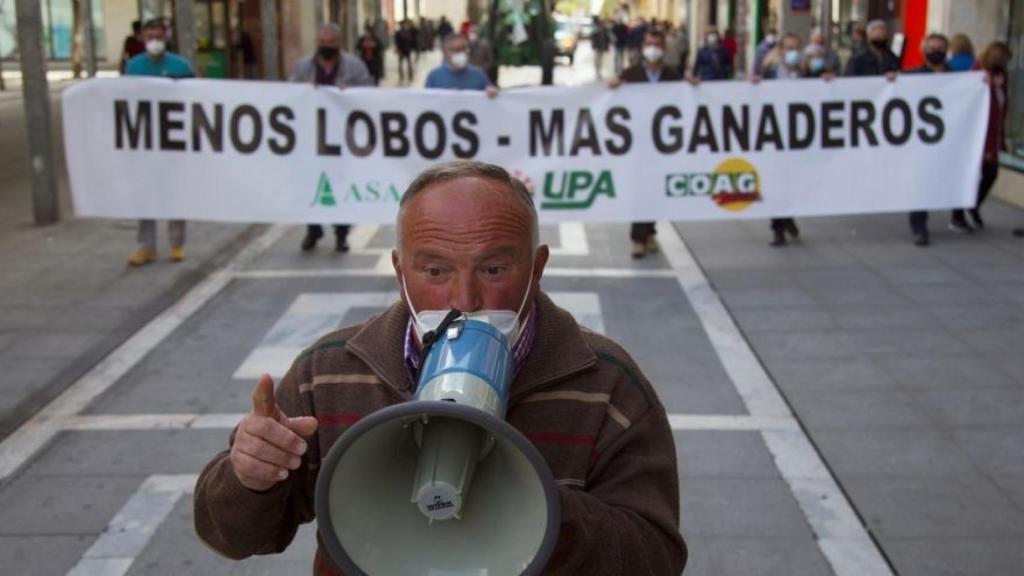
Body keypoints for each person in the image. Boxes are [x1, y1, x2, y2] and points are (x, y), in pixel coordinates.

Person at [192, 160, 688, 574]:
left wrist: (539, 513)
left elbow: (657, 558)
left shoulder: (607, 385)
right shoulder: (328, 372)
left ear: (536, 268)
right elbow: (232, 538)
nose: (465, 299)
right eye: (434, 271)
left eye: (494, 269)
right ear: (399, 270)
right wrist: (248, 477)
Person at [289, 23, 374, 253]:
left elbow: (369, 89)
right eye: (322, 43)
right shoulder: (303, 67)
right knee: (310, 185)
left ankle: (341, 233)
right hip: (312, 137)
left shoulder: (354, 66)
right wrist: (303, 91)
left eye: (330, 43)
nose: (326, 46)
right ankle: (313, 229)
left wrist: (352, 92)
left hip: (342, 138)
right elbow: (290, 95)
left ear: (339, 43)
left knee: (339, 185)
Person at [123, 20, 194, 267]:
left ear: (166, 38)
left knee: (174, 190)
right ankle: (146, 246)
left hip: (173, 139)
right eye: (150, 36)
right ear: (143, 38)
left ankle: (177, 244)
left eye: (159, 37)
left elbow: (195, 98)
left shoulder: (181, 65)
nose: (154, 41)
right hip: (143, 140)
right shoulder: (133, 66)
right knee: (145, 192)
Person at [610, 30, 683, 258]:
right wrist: (613, 86)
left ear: (664, 47)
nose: (653, 49)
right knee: (641, 189)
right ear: (643, 47)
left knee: (656, 189)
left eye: (657, 44)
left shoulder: (672, 75)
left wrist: (694, 86)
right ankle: (638, 238)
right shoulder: (630, 74)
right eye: (649, 44)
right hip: (637, 144)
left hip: (664, 146)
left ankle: (650, 230)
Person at [753, 32, 806, 246]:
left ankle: (788, 217)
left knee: (792, 182)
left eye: (796, 48)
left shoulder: (805, 73)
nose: (792, 53)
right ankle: (778, 228)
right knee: (776, 181)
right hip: (775, 135)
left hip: (798, 136)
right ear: (780, 51)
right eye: (788, 48)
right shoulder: (770, 72)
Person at [953, 41, 1011, 232]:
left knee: (990, 173)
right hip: (978, 136)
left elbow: (1002, 107)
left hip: (993, 135)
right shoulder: (978, 73)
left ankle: (973, 204)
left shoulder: (1002, 77)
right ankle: (958, 215)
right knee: (969, 175)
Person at [905, 33, 951, 245]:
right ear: (924, 52)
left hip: (950, 138)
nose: (937, 52)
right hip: (922, 140)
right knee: (921, 181)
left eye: (940, 48)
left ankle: (959, 215)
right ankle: (919, 226)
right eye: (932, 48)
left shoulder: (957, 76)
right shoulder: (914, 76)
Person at [425, 33, 498, 97]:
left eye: (463, 49)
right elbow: (426, 101)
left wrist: (492, 91)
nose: (460, 53)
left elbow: (490, 90)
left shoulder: (478, 74)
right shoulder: (434, 76)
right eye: (455, 50)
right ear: (445, 53)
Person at [395, 19, 417, 84]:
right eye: (404, 24)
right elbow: (397, 42)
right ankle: (401, 76)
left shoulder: (409, 31)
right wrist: (398, 49)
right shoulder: (398, 33)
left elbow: (416, 33)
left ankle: (410, 76)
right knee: (400, 64)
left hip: (407, 50)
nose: (405, 26)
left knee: (409, 63)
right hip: (401, 50)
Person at [590, 16, 610, 80]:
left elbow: (607, 39)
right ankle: (597, 70)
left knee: (600, 59)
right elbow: (592, 37)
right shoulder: (596, 30)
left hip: (602, 47)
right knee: (597, 59)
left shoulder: (605, 30)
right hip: (597, 47)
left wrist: (607, 47)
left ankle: (599, 70)